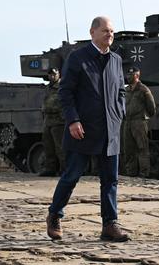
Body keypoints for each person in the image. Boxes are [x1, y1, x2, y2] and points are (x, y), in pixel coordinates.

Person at [46, 16, 129, 242]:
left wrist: (119, 112)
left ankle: (110, 225)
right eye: (105, 31)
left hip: (110, 130)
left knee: (110, 180)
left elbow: (121, 90)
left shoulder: (116, 60)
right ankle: (54, 215)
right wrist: (73, 120)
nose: (109, 34)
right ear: (92, 32)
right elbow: (65, 92)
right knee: (72, 176)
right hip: (82, 129)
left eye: (111, 31)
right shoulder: (78, 58)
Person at [122, 66, 156, 177]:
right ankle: (131, 173)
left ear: (137, 76)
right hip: (128, 122)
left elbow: (151, 107)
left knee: (142, 148)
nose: (128, 77)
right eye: (128, 75)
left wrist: (144, 118)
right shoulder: (126, 89)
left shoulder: (144, 89)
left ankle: (144, 174)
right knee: (128, 149)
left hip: (139, 122)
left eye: (131, 75)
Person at [39, 68, 65, 177]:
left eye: (54, 74)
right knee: (48, 146)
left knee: (60, 147)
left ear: (59, 74)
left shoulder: (62, 86)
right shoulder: (48, 88)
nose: (52, 76)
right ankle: (50, 168)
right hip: (47, 120)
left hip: (58, 120)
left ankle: (64, 169)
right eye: (50, 75)